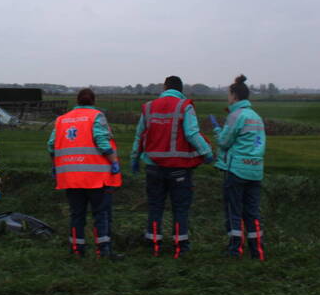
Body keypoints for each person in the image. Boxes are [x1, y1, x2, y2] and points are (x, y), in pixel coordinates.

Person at [130, 76, 212, 258]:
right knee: (180, 207)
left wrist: (134, 158)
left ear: (164, 87)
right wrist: (206, 152)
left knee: (155, 206)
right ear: (181, 90)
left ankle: (153, 245)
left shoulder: (149, 107)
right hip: (179, 168)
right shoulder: (185, 106)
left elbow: (139, 135)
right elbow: (192, 134)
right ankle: (180, 246)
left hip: (153, 166)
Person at [48, 88, 122, 258]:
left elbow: (51, 145)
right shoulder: (96, 116)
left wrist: (55, 165)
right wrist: (114, 161)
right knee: (101, 214)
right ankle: (103, 251)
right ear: (93, 101)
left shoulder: (62, 120)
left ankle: (76, 250)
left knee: (77, 215)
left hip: (70, 177)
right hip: (95, 178)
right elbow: (102, 141)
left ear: (77, 101)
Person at [211, 74, 266, 259]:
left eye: (228, 94)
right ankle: (257, 250)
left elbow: (225, 142)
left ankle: (235, 250)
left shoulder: (236, 115)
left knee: (234, 210)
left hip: (237, 170)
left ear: (234, 95)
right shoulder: (256, 116)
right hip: (255, 170)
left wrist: (217, 130)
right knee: (252, 212)